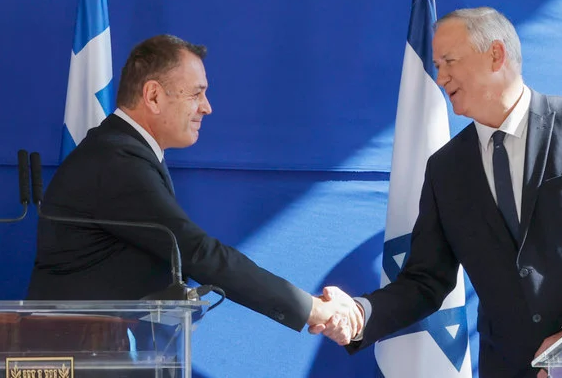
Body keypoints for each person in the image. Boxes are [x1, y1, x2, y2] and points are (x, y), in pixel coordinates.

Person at [312, 7, 562, 377]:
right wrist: (358, 314)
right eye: (436, 64)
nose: (440, 75)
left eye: (449, 61)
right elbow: (426, 281)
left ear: (496, 54)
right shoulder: (445, 168)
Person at [27, 34, 358, 336]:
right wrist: (312, 309)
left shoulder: (121, 151)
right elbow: (198, 252)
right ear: (153, 96)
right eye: (197, 93)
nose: (207, 107)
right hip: (78, 356)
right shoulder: (116, 160)